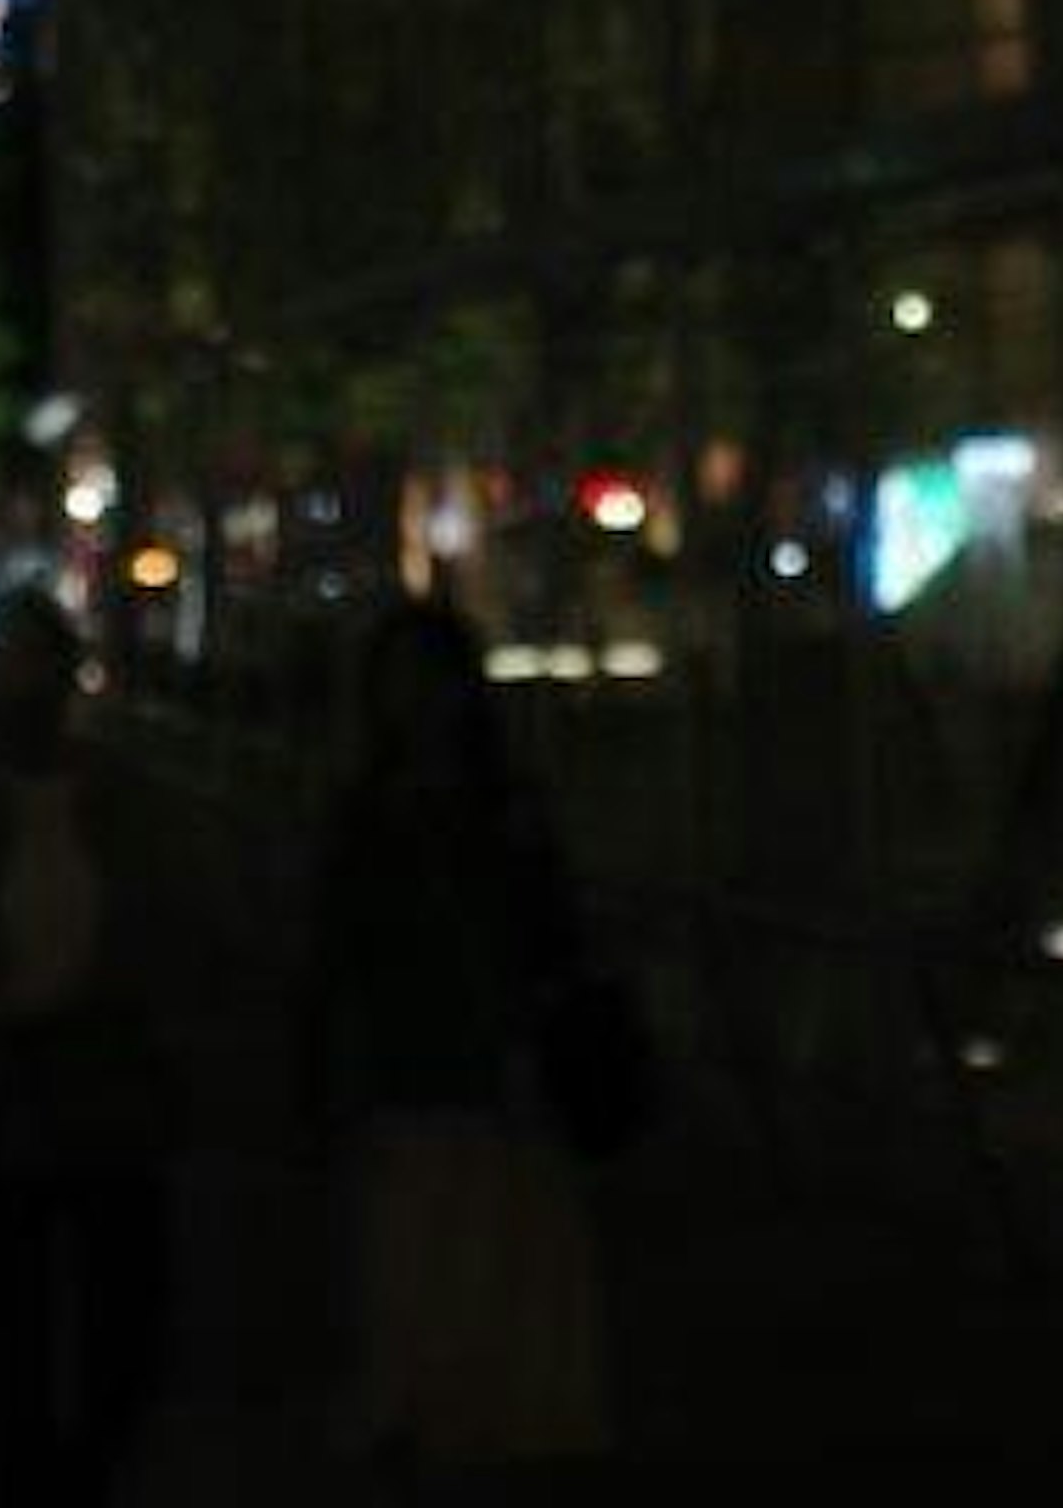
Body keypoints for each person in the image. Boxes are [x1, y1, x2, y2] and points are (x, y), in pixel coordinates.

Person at [302, 595, 617, 1477]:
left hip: (499, 1069)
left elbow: (554, 931)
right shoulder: (376, 816)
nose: (416, 701)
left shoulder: (500, 810)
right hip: (419, 1072)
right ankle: (441, 1413)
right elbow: (338, 951)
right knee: (430, 1262)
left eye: (427, 680)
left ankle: (477, 1415)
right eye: (400, 682)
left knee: (490, 1265)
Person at [0, 580, 181, 1505]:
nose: (21, 685)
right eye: (2, 664)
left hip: (110, 1085)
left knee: (121, 1327)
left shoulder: (125, 800)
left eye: (36, 660)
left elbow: (169, 930)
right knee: (1, 1333)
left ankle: (82, 1478)